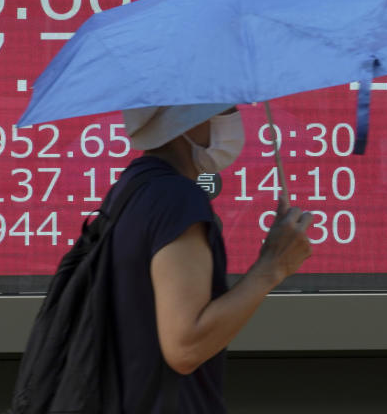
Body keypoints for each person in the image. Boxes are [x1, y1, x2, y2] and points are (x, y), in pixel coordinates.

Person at [109, 103, 313, 413]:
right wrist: (273, 266)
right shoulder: (175, 198)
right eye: (225, 108)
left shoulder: (132, 188)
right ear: (184, 119)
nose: (233, 121)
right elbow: (185, 347)